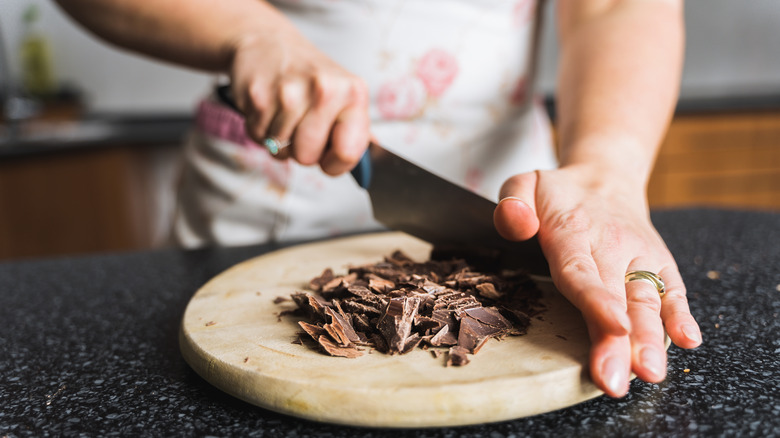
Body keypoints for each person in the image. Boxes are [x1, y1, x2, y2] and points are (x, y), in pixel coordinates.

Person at [55, 0, 701, 398]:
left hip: (509, 202)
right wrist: (250, 32)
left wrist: (608, 173)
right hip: (260, 202)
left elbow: (619, 5)